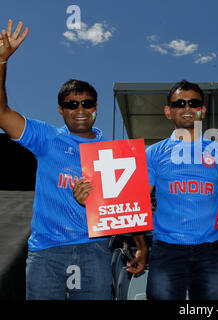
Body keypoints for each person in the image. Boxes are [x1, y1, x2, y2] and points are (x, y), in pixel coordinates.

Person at [0, 19, 147, 299]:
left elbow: (130, 207)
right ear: (60, 110)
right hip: (47, 252)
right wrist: (1, 62)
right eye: (71, 104)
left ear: (95, 108)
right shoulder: (46, 138)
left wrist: (141, 246)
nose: (80, 109)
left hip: (94, 251)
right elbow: (2, 113)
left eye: (87, 103)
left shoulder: (116, 151)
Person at [144, 80, 218, 300]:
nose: (187, 108)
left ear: (202, 110)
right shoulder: (153, 153)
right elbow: (138, 199)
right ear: (169, 111)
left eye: (194, 103)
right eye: (180, 103)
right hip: (166, 249)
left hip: (211, 250)